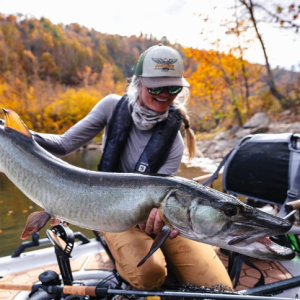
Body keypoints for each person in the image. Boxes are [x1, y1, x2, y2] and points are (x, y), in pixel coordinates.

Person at [32, 44, 233, 291]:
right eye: (156, 87)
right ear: (138, 83)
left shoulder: (175, 142)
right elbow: (63, 144)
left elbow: (160, 202)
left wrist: (163, 222)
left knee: (219, 287)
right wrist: (15, 133)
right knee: (151, 272)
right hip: (109, 214)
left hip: (158, 221)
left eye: (173, 87)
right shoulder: (111, 106)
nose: (165, 94)